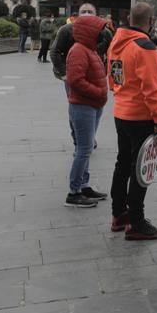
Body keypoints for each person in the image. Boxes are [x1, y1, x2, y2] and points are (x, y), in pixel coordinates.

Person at [107, 2, 157, 238]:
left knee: (122, 164)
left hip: (120, 111)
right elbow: (152, 89)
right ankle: (137, 222)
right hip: (140, 116)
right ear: (150, 22)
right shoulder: (145, 46)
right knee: (140, 169)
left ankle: (118, 214)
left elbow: (112, 76)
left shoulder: (117, 41)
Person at [63, 14, 109, 208]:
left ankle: (84, 185)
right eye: (99, 30)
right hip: (84, 106)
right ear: (90, 32)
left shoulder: (89, 49)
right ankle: (74, 192)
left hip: (92, 105)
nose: (102, 34)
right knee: (83, 149)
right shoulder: (79, 51)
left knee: (86, 148)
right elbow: (76, 80)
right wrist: (98, 92)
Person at [51, 3, 113, 80]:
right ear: (79, 15)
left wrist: (104, 70)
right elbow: (54, 51)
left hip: (95, 74)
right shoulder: (66, 30)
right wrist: (64, 72)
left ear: (95, 15)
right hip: (72, 74)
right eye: (83, 12)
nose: (86, 14)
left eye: (90, 12)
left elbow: (112, 53)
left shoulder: (105, 32)